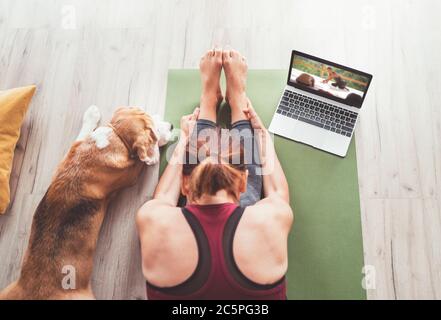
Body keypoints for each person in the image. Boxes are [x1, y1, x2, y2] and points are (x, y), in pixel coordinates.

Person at [136, 48, 293, 300]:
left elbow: (164, 198)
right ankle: (237, 102)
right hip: (234, 202)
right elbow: (277, 193)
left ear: (185, 186)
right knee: (225, 171)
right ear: (243, 183)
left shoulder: (154, 220)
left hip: (194, 200)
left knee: (214, 164)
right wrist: (261, 133)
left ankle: (209, 103)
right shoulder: (269, 219)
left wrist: (186, 137)